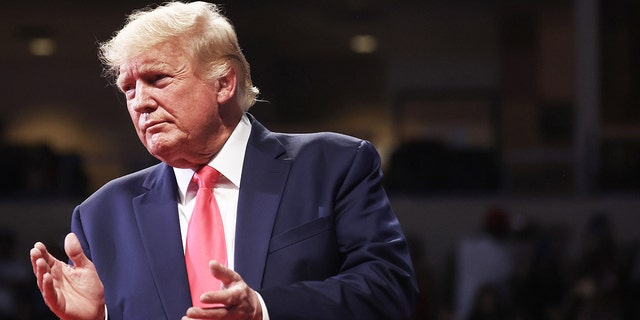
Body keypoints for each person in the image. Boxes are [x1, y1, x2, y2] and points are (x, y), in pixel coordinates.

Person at [29, 2, 418, 319]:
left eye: (158, 79)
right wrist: (101, 318)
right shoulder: (101, 215)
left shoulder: (333, 165)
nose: (139, 102)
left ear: (224, 83)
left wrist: (263, 310)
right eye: (128, 88)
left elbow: (389, 288)